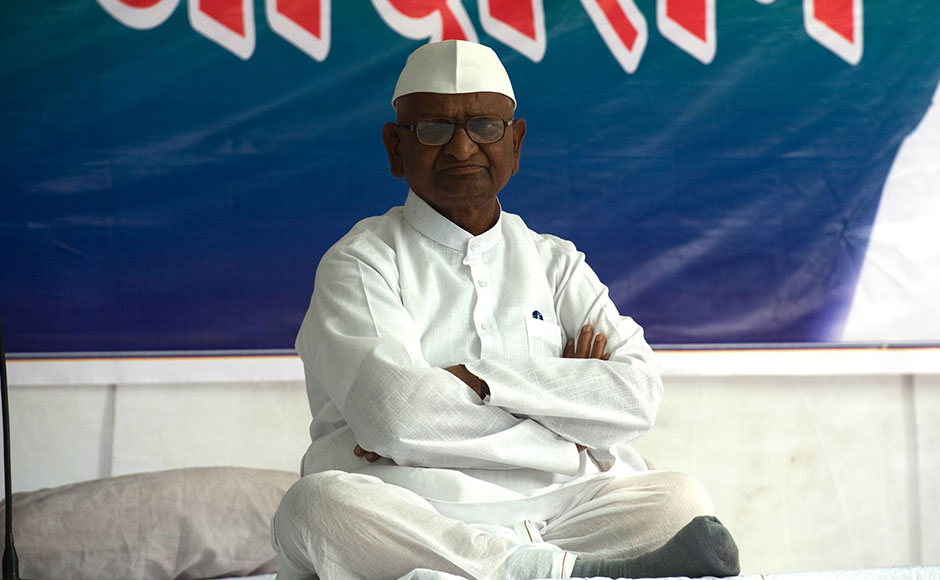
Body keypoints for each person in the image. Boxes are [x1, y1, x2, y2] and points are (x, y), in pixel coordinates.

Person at [272, 39, 740, 580]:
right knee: (317, 507)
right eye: (434, 129)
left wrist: (476, 379)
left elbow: (637, 397)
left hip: (560, 510)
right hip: (419, 507)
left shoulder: (555, 262)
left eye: (485, 127)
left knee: (680, 498)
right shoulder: (360, 262)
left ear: (515, 143)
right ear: (395, 148)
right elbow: (396, 417)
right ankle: (569, 572)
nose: (462, 148)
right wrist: (564, 415)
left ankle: (529, 567)